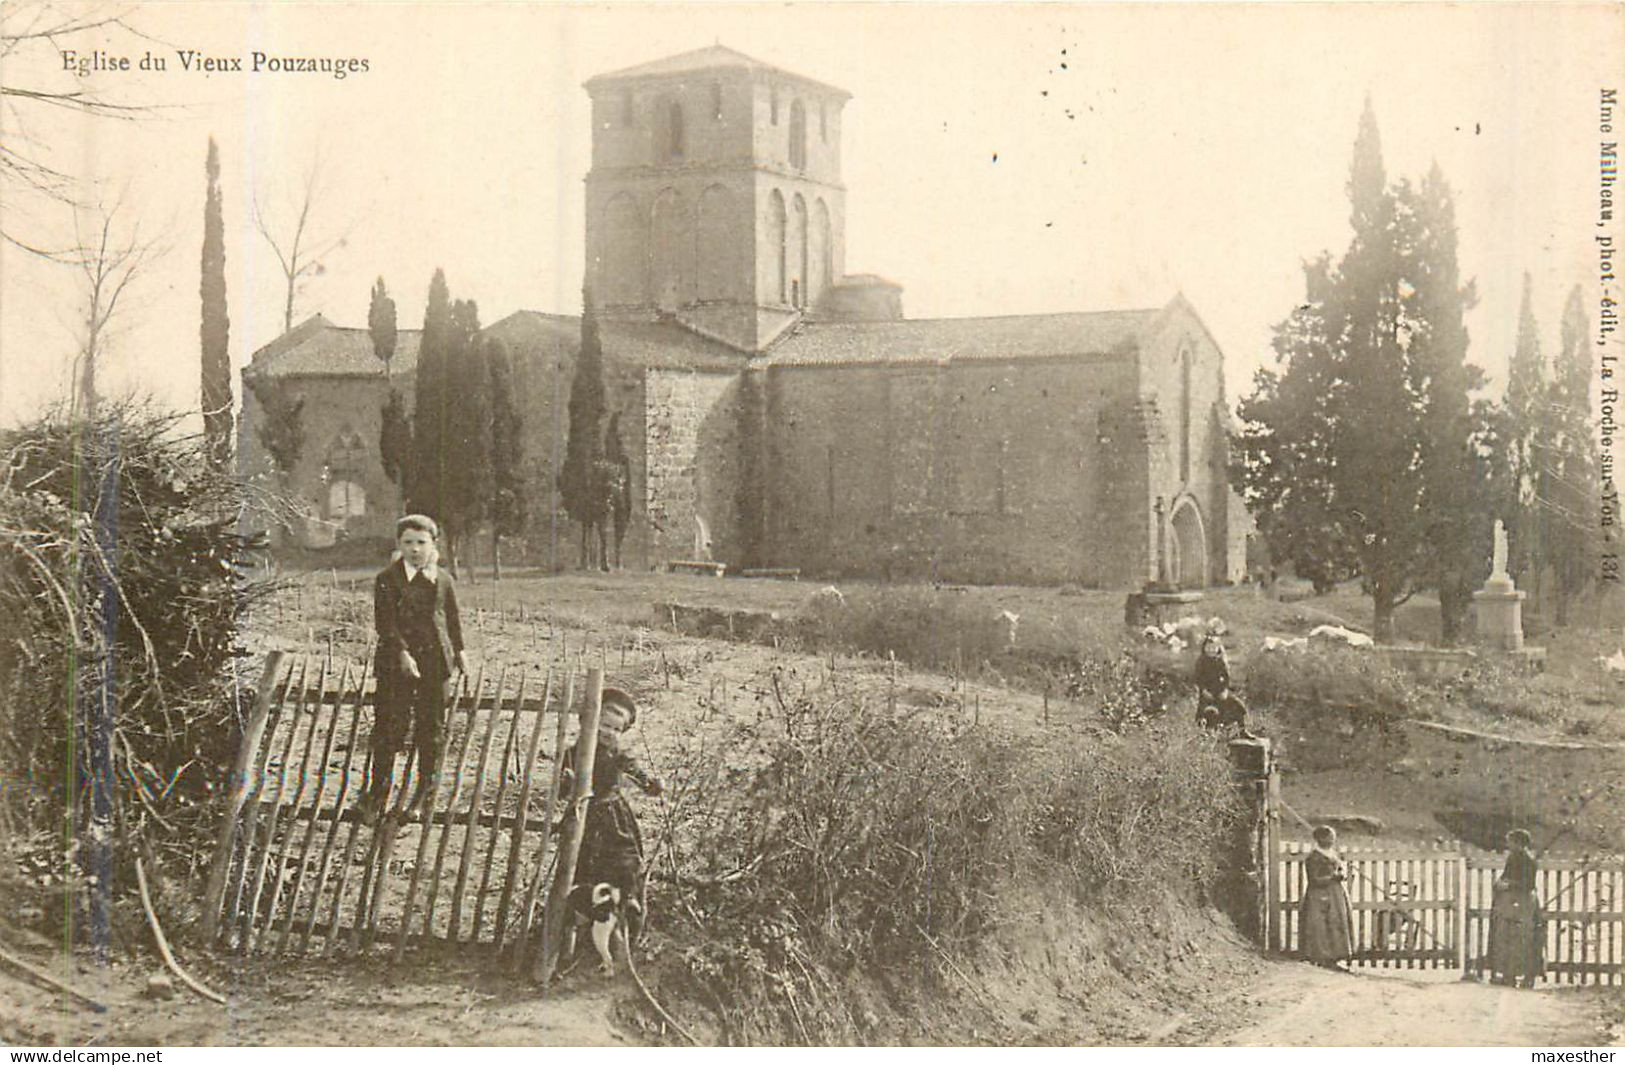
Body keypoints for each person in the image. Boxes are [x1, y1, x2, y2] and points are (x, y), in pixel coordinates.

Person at [358, 514, 466, 826]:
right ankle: (378, 794)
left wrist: (460, 652)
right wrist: (403, 654)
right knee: (390, 729)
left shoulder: (442, 579)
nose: (415, 549)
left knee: (431, 729)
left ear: (434, 544)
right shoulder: (387, 579)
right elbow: (386, 624)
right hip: (396, 662)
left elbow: (452, 620)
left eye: (421, 542)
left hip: (435, 662)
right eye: (408, 543)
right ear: (398, 545)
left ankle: (423, 795)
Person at [558, 687, 662, 976]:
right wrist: (566, 782)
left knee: (625, 862)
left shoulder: (617, 754)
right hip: (585, 821)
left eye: (616, 729)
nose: (609, 733)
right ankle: (576, 943)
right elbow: (560, 790)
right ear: (586, 721)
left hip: (613, 818)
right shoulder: (572, 753)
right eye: (604, 725)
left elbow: (636, 772)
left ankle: (627, 909)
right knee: (584, 875)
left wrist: (649, 782)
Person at [1487, 829, 1543, 988]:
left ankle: (1526, 976)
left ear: (1519, 843)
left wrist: (1509, 884)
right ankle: (1507, 975)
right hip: (1509, 903)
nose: (1508, 845)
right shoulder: (1512, 858)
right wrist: (1500, 883)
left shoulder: (1528, 861)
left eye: (1510, 842)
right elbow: (1506, 875)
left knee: (1521, 939)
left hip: (1522, 903)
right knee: (1506, 937)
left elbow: (1528, 884)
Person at [1300, 825, 1354, 969]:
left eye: (1333, 837)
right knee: (1320, 926)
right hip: (1319, 895)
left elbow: (1339, 867)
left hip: (1335, 894)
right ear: (1320, 838)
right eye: (1329, 837)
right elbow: (1314, 879)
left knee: (1336, 923)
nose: (1332, 840)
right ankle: (1322, 958)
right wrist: (1333, 877)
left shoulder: (1332, 854)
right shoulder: (1314, 857)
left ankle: (1335, 958)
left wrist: (1342, 873)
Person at [1194, 635, 1251, 736]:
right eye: (1208, 647)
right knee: (1210, 713)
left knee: (1238, 706)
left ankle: (1243, 730)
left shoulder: (1220, 661)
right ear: (1204, 648)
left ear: (1218, 648)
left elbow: (1226, 678)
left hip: (1220, 692)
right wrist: (1204, 690)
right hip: (1207, 694)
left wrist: (1224, 690)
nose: (1211, 650)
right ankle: (1209, 733)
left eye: (1214, 647)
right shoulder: (1201, 662)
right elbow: (1198, 679)